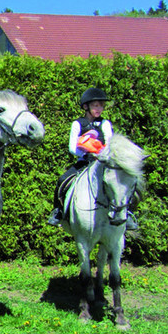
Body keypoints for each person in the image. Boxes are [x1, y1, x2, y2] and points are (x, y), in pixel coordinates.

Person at [46, 87, 137, 229]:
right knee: (62, 180)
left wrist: (100, 155)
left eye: (101, 105)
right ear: (86, 106)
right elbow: (72, 147)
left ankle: (128, 213)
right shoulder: (77, 124)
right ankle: (58, 212)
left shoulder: (105, 124)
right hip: (84, 161)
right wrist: (86, 154)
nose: (99, 108)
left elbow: (110, 143)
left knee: (123, 183)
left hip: (102, 163)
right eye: (96, 105)